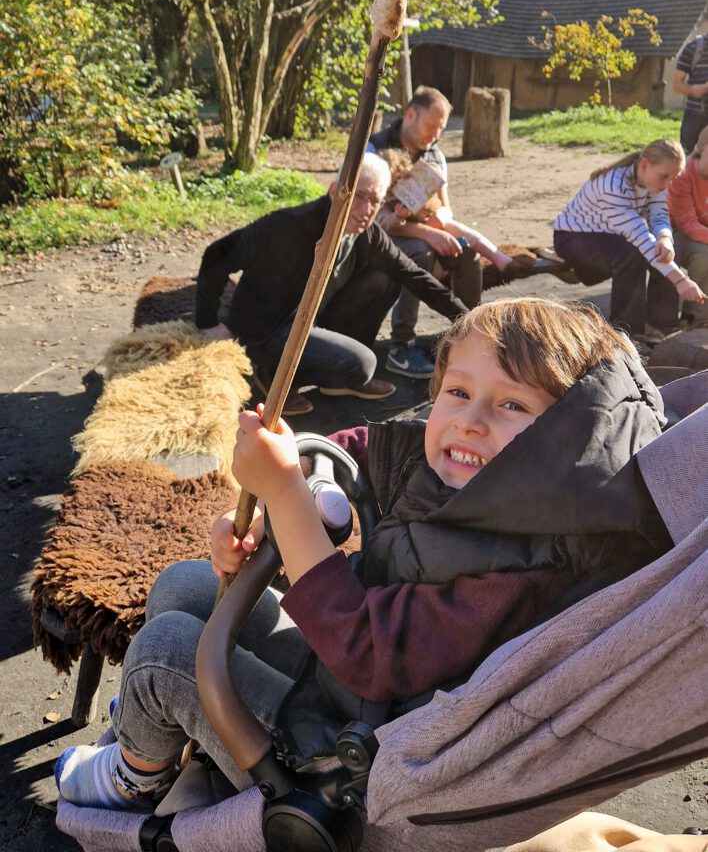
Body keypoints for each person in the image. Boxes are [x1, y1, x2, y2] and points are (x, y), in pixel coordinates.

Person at [56, 297, 672, 811]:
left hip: (348, 754)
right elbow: (362, 447)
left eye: (513, 405)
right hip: (336, 690)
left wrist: (289, 500)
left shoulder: (528, 565)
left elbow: (371, 657)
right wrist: (288, 481)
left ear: (563, 438)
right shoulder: (466, 469)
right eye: (456, 391)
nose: (471, 422)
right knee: (187, 586)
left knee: (165, 656)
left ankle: (136, 775)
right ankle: (151, 726)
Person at [194, 152, 467, 416]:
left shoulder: (368, 233)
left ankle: (334, 377)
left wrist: (467, 320)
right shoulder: (288, 225)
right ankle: (272, 373)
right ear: (335, 190)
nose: (365, 210)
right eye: (359, 196)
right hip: (269, 329)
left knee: (386, 280)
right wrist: (208, 322)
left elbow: (413, 274)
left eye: (375, 201)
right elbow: (217, 254)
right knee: (363, 364)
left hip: (312, 319)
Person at [370, 86, 506, 379]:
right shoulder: (374, 149)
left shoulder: (435, 155)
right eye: (431, 126)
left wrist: (439, 223)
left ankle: (467, 333)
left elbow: (447, 209)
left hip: (425, 226)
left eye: (441, 128)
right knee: (420, 253)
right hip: (382, 234)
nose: (436, 135)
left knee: (465, 250)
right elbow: (372, 219)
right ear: (409, 115)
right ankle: (402, 346)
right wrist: (428, 234)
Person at [552, 139, 706, 343]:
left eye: (673, 178)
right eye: (664, 177)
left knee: (672, 247)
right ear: (644, 165)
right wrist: (681, 280)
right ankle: (627, 331)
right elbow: (639, 237)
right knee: (632, 254)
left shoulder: (654, 181)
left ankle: (661, 325)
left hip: (614, 234)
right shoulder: (612, 187)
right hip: (575, 237)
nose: (668, 184)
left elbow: (659, 214)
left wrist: (665, 237)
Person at [667, 124, 708, 326]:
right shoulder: (683, 175)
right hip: (677, 232)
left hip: (703, 231)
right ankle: (694, 316)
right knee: (704, 255)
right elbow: (688, 225)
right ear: (702, 149)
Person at [672, 33, 708, 155]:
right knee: (688, 158)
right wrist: (693, 90)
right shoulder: (694, 47)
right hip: (696, 115)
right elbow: (677, 84)